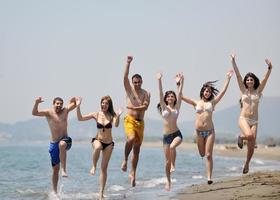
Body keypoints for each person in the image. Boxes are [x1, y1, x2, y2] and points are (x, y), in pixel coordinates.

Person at [181, 70, 233, 184]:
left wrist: (228, 79)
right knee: (202, 154)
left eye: (209, 91)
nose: (207, 93)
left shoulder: (213, 103)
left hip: (210, 132)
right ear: (202, 92)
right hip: (199, 132)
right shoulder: (196, 102)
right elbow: (181, 96)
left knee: (208, 155)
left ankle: (209, 178)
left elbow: (223, 92)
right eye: (206, 91)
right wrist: (180, 83)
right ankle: (207, 171)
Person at [230, 54, 272, 174]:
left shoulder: (258, 91)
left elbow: (265, 79)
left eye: (251, 79)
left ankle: (247, 163)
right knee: (249, 136)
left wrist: (269, 68)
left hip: (255, 121)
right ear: (246, 81)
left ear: (254, 81)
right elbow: (238, 76)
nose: (249, 81)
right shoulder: (243, 90)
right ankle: (241, 137)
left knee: (251, 146)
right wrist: (233, 61)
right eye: (247, 79)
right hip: (244, 118)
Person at [76, 96, 122, 200]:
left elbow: (117, 124)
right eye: (102, 103)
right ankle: (93, 165)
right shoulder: (96, 114)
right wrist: (78, 107)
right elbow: (80, 118)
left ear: (109, 105)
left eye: (106, 103)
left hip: (109, 144)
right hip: (98, 140)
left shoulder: (112, 115)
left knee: (104, 169)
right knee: (97, 147)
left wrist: (118, 116)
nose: (104, 105)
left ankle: (101, 194)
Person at [32, 96, 77, 193]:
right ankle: (54, 192)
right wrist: (36, 103)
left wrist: (74, 100)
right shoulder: (48, 112)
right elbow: (34, 113)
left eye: (61, 104)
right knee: (55, 170)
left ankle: (64, 169)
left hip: (66, 140)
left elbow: (75, 104)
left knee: (62, 144)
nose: (59, 105)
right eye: (57, 103)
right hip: (53, 143)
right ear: (53, 104)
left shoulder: (65, 111)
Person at [121, 56, 150, 187]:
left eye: (139, 82)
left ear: (142, 82)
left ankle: (133, 173)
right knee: (131, 139)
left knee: (137, 150)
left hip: (141, 123)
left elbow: (145, 107)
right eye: (135, 82)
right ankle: (125, 160)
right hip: (130, 120)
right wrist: (128, 63)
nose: (137, 84)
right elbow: (125, 77)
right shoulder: (129, 90)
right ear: (132, 83)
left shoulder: (146, 93)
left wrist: (134, 107)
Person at [156, 72, 184, 191]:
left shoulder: (177, 107)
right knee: (166, 161)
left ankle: (174, 164)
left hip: (177, 134)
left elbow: (180, 93)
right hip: (166, 137)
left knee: (173, 148)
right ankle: (168, 181)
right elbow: (160, 93)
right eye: (168, 97)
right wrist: (159, 80)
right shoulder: (164, 107)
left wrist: (181, 82)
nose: (170, 98)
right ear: (166, 99)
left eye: (172, 96)